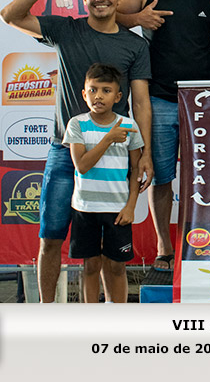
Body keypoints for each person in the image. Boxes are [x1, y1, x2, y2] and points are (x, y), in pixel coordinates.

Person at [0, 0, 152, 302]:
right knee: (51, 237)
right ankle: (47, 310)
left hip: (115, 156)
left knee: (109, 251)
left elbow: (141, 103)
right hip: (64, 151)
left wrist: (146, 155)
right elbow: (9, 15)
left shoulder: (135, 45)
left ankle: (109, 319)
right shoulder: (65, 29)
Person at [117, 0, 210, 272]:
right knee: (162, 176)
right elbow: (110, 14)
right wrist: (138, 18)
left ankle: (209, 242)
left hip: (204, 103)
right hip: (159, 99)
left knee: (208, 177)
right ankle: (165, 248)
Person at [63, 63, 144, 302]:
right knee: (90, 265)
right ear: (84, 94)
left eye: (106, 91)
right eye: (93, 90)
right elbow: (82, 166)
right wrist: (108, 139)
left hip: (117, 209)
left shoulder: (128, 125)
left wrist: (130, 206)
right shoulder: (76, 124)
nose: (98, 96)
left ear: (118, 96)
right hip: (85, 208)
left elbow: (136, 169)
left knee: (117, 266)